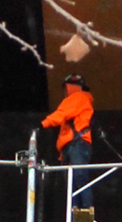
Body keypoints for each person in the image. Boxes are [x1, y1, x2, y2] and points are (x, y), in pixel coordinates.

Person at [41, 73, 96, 213]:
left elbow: (62, 115)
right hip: (73, 147)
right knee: (74, 184)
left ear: (69, 87)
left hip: (77, 145)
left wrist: (42, 124)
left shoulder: (78, 98)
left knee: (79, 180)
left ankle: (85, 217)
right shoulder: (80, 100)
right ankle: (76, 220)